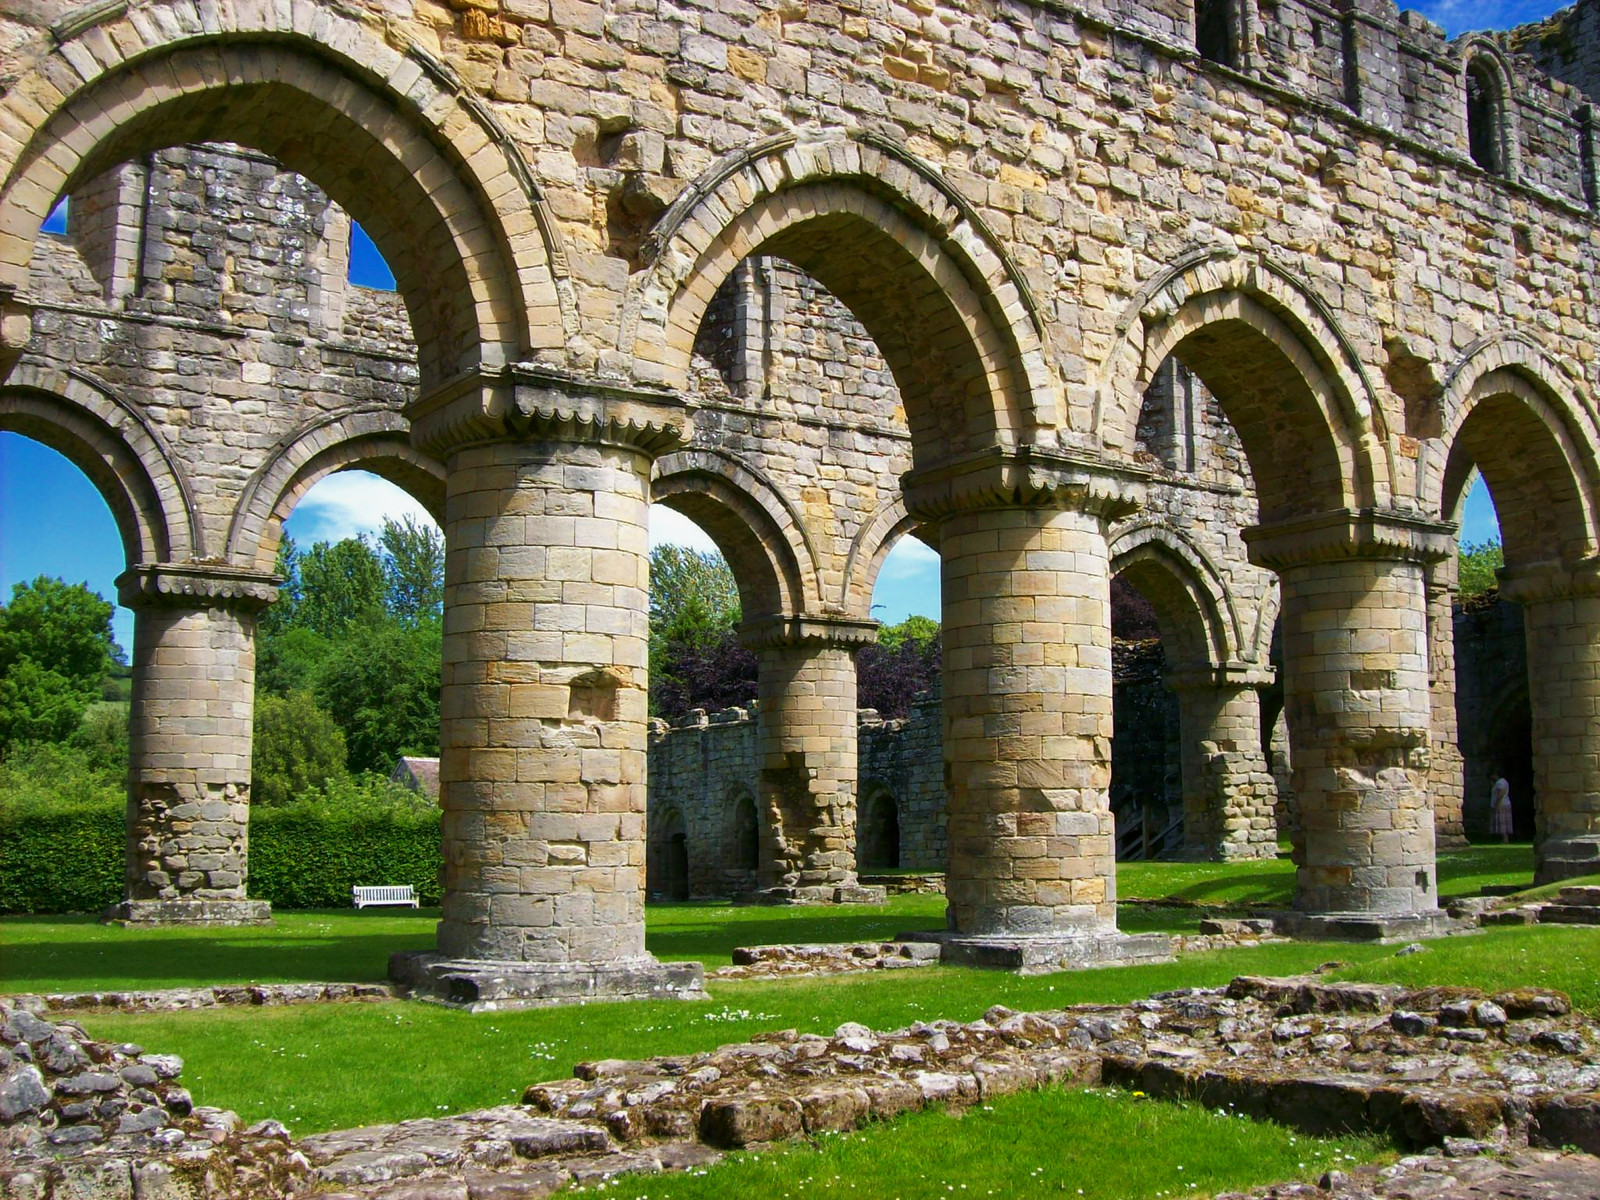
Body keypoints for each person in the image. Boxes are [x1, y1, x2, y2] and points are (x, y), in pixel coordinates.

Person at [1489, 770, 1513, 844]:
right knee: (1501, 822)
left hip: (1502, 804)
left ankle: (1505, 839)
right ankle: (1503, 838)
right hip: (1503, 804)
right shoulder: (1501, 782)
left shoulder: (1500, 782)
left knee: (1502, 822)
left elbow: (1501, 793)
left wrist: (1497, 804)